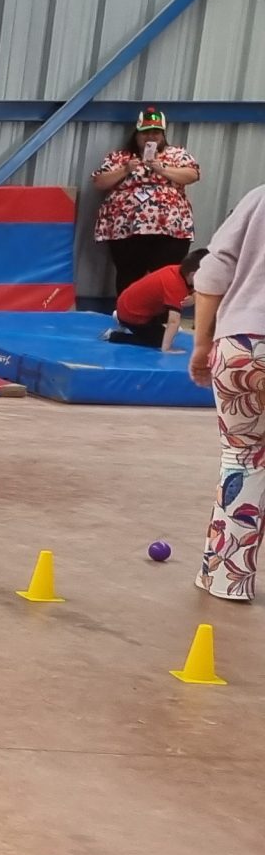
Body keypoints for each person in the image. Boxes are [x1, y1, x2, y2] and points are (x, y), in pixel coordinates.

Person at [188, 185, 265, 601]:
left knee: (243, 458)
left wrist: (202, 342)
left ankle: (226, 579)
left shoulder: (259, 198)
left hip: (243, 345)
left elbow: (213, 272)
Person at [93, 106, 202, 301]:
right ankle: (127, 312)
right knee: (128, 274)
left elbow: (192, 175)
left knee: (166, 275)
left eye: (156, 133)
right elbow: (100, 182)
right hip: (127, 229)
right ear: (137, 134)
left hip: (169, 230)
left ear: (163, 135)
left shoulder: (176, 154)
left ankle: (163, 315)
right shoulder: (119, 157)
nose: (150, 137)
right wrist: (125, 170)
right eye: (145, 133)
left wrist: (162, 169)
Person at [109, 248, 206, 348]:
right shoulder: (176, 286)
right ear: (194, 274)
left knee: (167, 332)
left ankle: (122, 319)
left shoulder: (179, 271)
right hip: (132, 314)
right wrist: (166, 348)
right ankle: (117, 336)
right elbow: (173, 321)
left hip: (129, 305)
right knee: (160, 340)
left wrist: (194, 297)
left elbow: (198, 291)